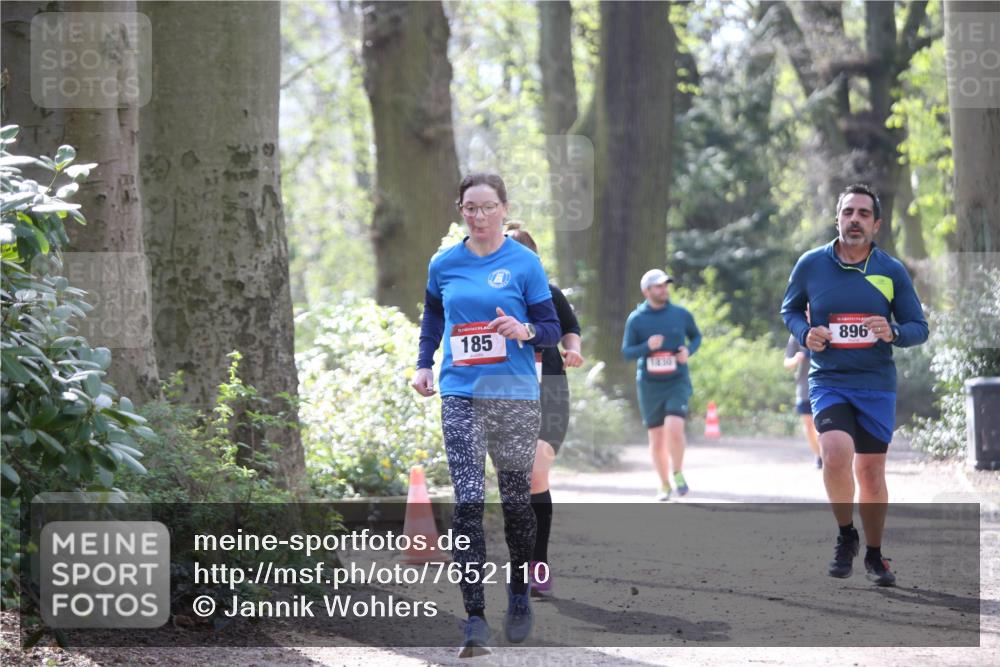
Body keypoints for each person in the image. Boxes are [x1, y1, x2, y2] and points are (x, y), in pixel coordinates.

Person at [411, 173, 561, 657]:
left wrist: (522, 329)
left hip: (514, 394)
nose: (479, 216)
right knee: (468, 502)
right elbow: (434, 316)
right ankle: (474, 617)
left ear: (503, 208)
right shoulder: (444, 264)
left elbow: (551, 329)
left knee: (516, 501)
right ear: (460, 210)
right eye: (470, 208)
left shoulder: (525, 263)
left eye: (488, 207)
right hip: (460, 392)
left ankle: (518, 592)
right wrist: (422, 363)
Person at [781, 183, 928, 587]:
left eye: (864, 213)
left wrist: (893, 331)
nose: (855, 219)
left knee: (871, 473)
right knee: (834, 452)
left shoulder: (890, 271)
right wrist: (805, 331)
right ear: (838, 219)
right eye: (848, 212)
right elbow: (790, 308)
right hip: (829, 379)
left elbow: (920, 328)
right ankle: (846, 534)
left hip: (876, 384)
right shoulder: (811, 264)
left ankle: (876, 556)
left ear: (876, 224)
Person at [504, 222, 584, 600]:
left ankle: (538, 562)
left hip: (550, 392)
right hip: (506, 397)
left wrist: (573, 348)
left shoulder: (549, 295)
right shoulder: (491, 300)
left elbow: (571, 328)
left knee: (536, 474)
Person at [621, 269, 702, 502]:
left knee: (674, 429)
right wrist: (647, 346)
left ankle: (677, 472)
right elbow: (627, 353)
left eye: (666, 285)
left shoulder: (680, 314)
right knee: (656, 438)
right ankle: (664, 484)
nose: (664, 289)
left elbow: (696, 337)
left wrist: (688, 350)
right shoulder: (636, 319)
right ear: (646, 291)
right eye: (659, 286)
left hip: (677, 381)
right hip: (649, 384)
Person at [784, 306, 822, 469]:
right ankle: (819, 455)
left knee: (823, 423)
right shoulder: (796, 335)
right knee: (808, 423)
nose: (808, 314)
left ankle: (828, 454)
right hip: (804, 386)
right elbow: (786, 362)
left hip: (823, 384)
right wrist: (797, 359)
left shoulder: (825, 330)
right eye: (805, 311)